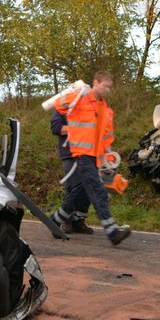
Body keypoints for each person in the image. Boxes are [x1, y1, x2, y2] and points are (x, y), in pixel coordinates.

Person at [50, 71, 131, 245]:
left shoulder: (106, 110)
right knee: (98, 190)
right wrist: (75, 92)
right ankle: (112, 231)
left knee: (80, 191)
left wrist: (106, 159)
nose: (108, 90)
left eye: (110, 87)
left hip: (95, 157)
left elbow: (105, 137)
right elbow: (59, 106)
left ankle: (55, 220)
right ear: (95, 82)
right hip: (80, 153)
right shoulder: (81, 98)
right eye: (105, 86)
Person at [50, 109, 94, 234]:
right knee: (73, 187)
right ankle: (66, 220)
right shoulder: (61, 109)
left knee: (86, 188)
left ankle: (79, 221)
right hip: (70, 155)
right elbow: (56, 128)